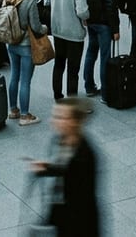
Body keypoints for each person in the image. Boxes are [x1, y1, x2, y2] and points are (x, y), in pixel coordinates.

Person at [28, 97, 100, 235]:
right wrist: (48, 168)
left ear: (74, 122)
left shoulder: (84, 156)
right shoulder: (60, 139)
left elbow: (80, 201)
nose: (53, 120)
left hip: (79, 224)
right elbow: (65, 168)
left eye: (59, 117)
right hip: (64, 216)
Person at [4, 0, 48, 125]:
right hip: (26, 45)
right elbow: (36, 27)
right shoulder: (30, 1)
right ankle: (24, 115)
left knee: (14, 76)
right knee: (25, 80)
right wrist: (45, 28)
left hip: (11, 42)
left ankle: (13, 110)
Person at [49, 0, 89, 101]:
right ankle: (72, 99)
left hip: (57, 29)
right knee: (73, 69)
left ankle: (57, 95)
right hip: (73, 33)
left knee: (59, 64)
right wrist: (87, 17)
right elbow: (82, 11)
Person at [81, 0, 119, 100]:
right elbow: (111, 6)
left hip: (91, 21)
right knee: (105, 57)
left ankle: (89, 86)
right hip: (104, 24)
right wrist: (115, 29)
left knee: (91, 52)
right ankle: (106, 92)